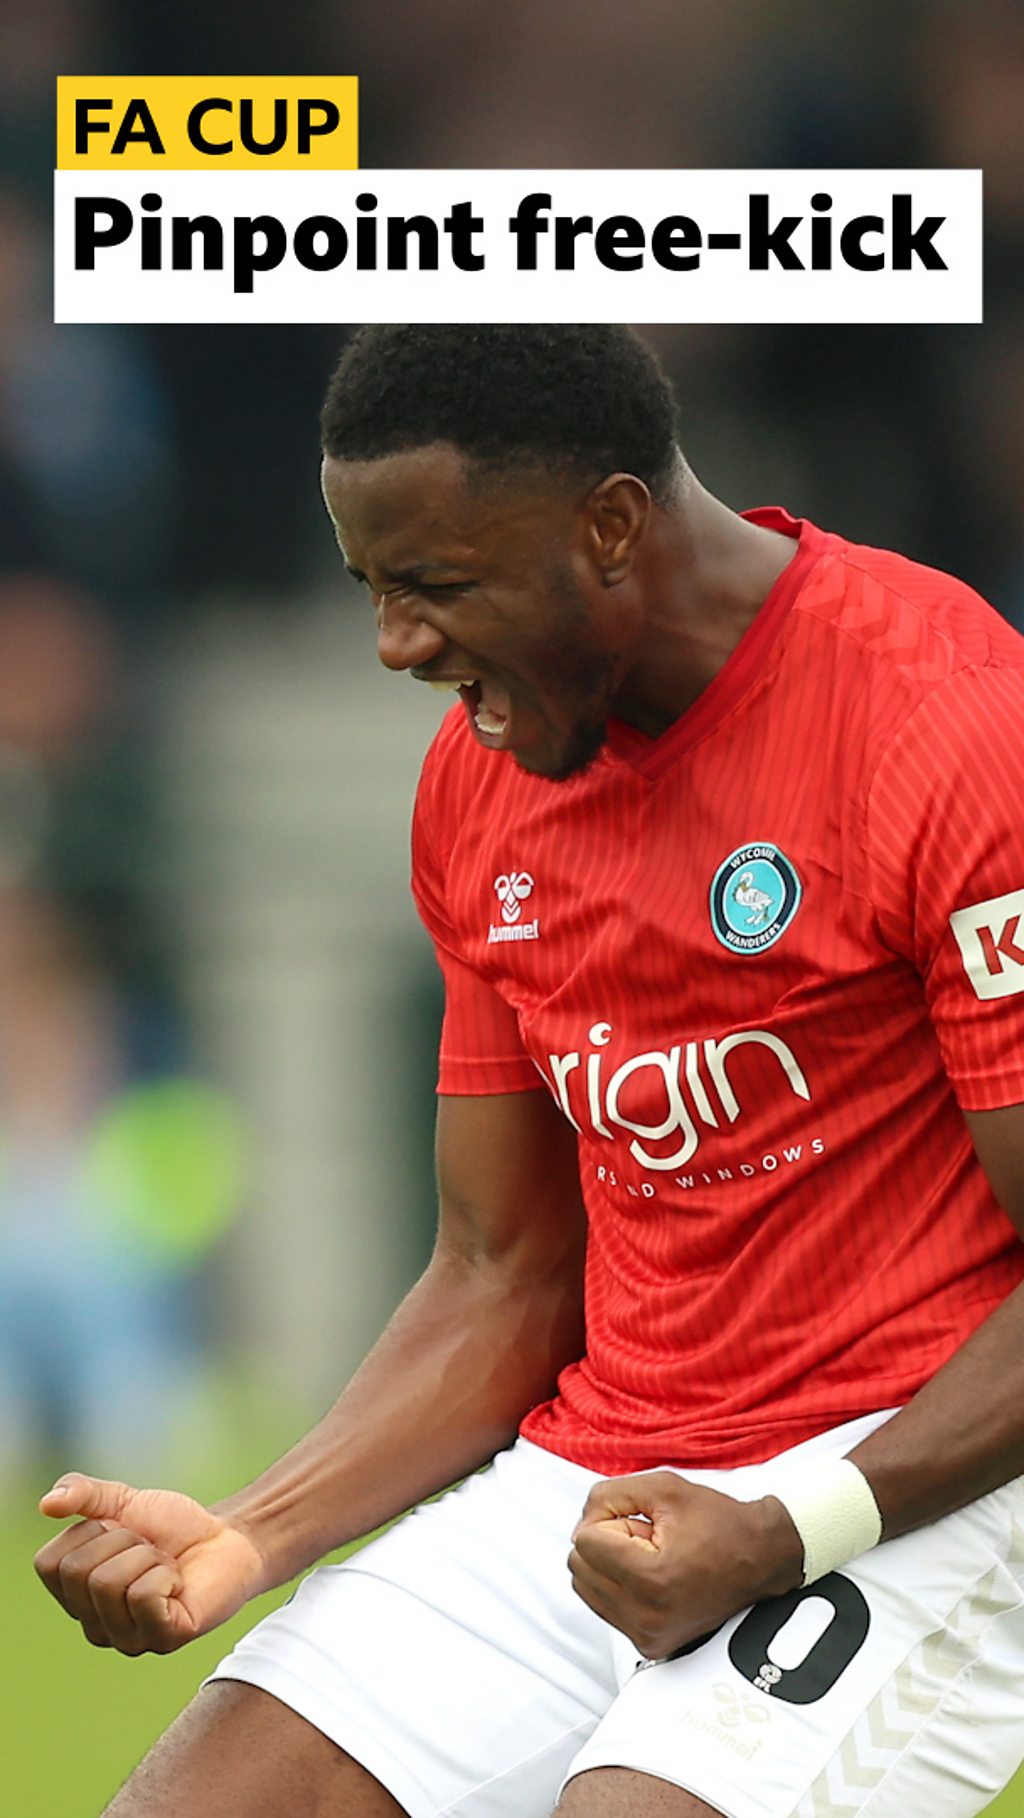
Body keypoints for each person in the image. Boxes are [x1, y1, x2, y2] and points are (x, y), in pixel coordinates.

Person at [34, 325, 1024, 1818]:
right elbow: (500, 1268)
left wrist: (784, 1525)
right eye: (373, 588)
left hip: (917, 1483)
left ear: (611, 525)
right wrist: (251, 1529)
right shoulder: (480, 784)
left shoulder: (946, 721)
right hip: (608, 1490)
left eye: (435, 585)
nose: (396, 646)